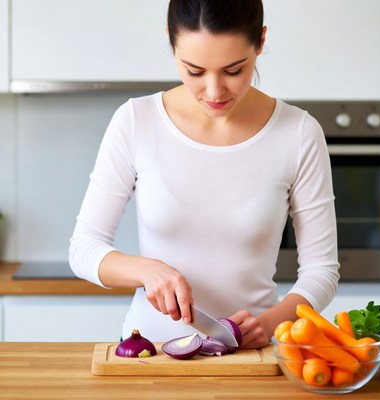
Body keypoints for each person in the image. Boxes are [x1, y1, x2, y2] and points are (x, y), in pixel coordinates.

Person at [69, 0, 340, 350]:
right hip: (148, 354)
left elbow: (322, 270)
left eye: (234, 70)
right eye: (195, 71)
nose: (214, 92)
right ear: (171, 42)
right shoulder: (136, 120)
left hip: (251, 354)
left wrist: (271, 322)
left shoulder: (299, 132)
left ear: (260, 42)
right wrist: (147, 271)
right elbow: (84, 249)